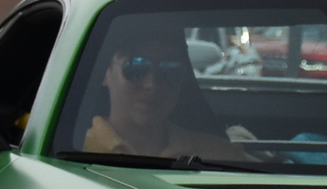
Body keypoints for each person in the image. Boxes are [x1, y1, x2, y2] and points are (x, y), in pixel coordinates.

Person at [79, 32, 246, 162]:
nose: (152, 84)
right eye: (136, 67)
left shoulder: (223, 156)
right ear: (104, 73)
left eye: (170, 70)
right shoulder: (74, 152)